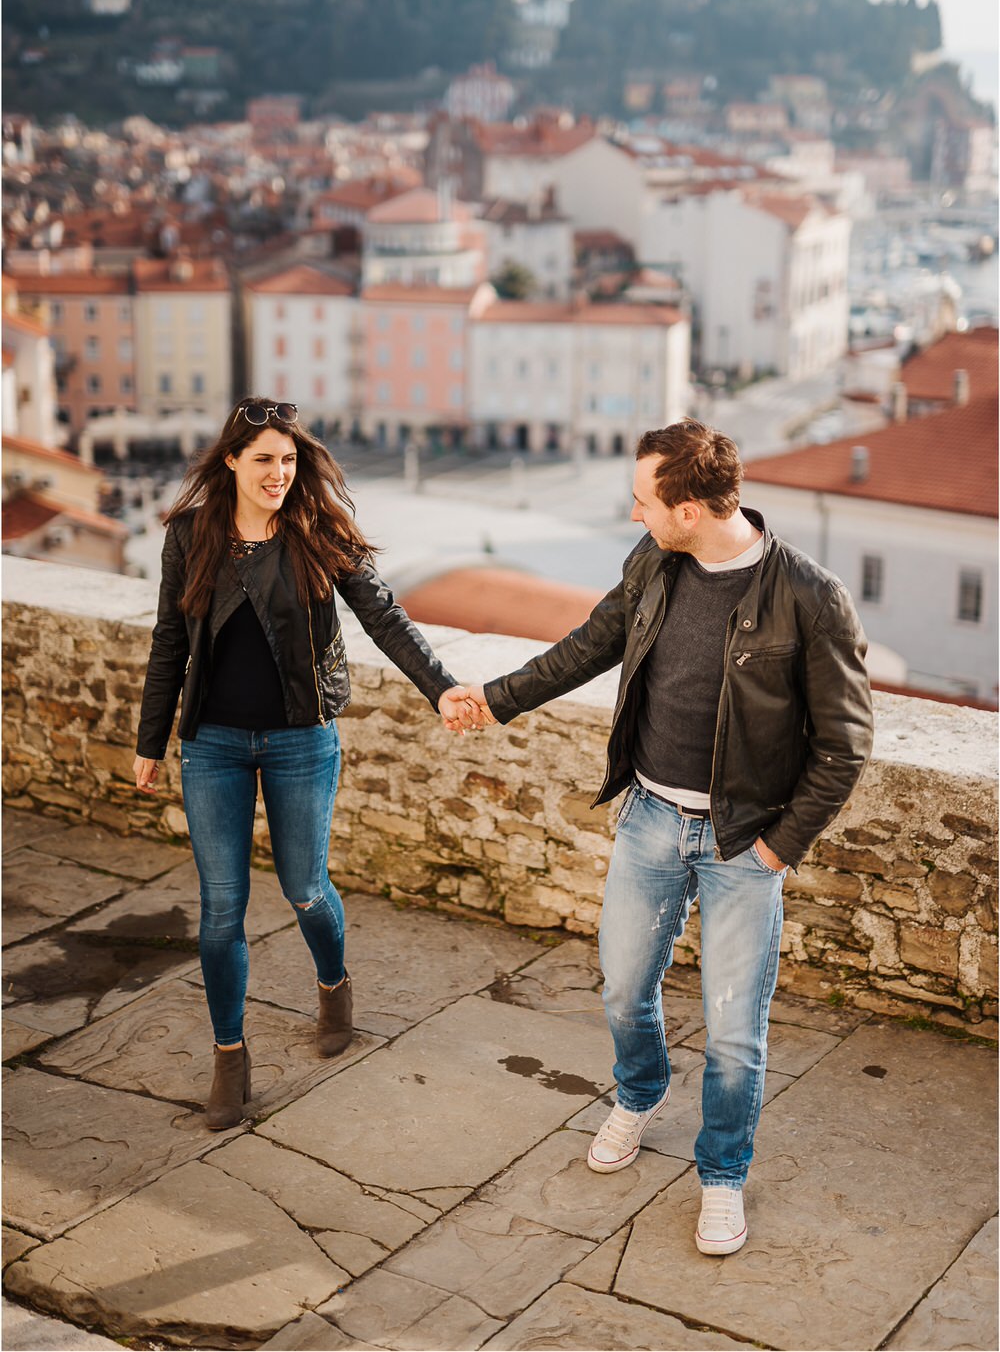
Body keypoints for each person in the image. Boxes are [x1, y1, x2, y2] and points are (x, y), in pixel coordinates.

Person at [457, 419, 873, 1255]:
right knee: (621, 985)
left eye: (645, 500)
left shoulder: (809, 596)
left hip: (742, 842)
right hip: (649, 816)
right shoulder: (654, 560)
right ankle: (640, 1094)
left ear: (689, 508)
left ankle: (721, 1175)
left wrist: (775, 851)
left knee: (733, 1034)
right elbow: (591, 644)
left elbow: (845, 744)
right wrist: (494, 699)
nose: (634, 512)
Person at [133, 399, 480, 1129]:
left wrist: (441, 685)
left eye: (288, 461)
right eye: (264, 459)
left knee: (305, 888)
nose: (279, 474)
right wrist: (149, 740)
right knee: (221, 907)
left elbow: (385, 615)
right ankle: (230, 1056)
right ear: (230, 460)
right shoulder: (191, 535)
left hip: (300, 740)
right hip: (213, 745)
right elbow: (170, 641)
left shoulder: (315, 533)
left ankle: (334, 984)